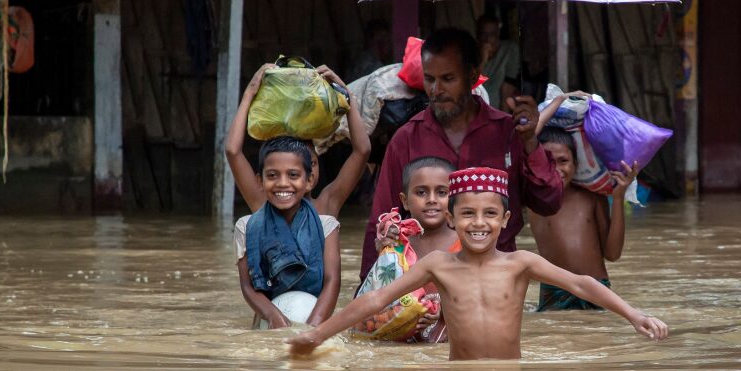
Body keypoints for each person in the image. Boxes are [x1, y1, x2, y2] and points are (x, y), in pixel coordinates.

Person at [288, 168, 667, 360]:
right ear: (452, 220)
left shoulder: (520, 263)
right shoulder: (438, 265)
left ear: (505, 220)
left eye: (489, 214)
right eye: (467, 214)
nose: (478, 223)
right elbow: (375, 299)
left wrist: (634, 315)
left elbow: (582, 284)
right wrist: (317, 336)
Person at [359, 28, 562, 281]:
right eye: (430, 79)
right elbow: (380, 223)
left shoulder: (510, 133)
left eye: (448, 78)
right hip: (427, 288)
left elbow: (549, 202)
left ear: (472, 75)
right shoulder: (406, 139)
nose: (436, 90)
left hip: (498, 283)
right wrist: (369, 290)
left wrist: (530, 141)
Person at [225, 63, 371, 220]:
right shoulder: (262, 205)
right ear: (261, 180)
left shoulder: (327, 205)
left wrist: (346, 96)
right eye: (274, 174)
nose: (310, 169)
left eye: (312, 163)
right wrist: (249, 93)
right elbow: (233, 151)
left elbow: (362, 151)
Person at [528, 127, 639, 312]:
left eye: (563, 161)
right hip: (553, 293)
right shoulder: (532, 200)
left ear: (576, 163)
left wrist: (618, 198)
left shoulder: (592, 198)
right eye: (548, 161)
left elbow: (613, 254)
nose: (556, 169)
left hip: (597, 290)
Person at [235, 137, 341, 330]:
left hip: (317, 318)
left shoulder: (326, 226)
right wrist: (273, 316)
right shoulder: (247, 226)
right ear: (260, 181)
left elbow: (332, 281)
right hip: (268, 321)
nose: (283, 183)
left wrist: (313, 328)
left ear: (309, 181)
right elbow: (248, 286)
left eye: (293, 175)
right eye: (272, 175)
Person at [370, 156, 459, 342]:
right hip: (402, 342)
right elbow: (379, 299)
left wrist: (443, 312)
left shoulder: (464, 246)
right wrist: (384, 257)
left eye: (442, 192)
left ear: (454, 199)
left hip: (447, 343)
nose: (432, 200)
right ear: (405, 201)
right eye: (421, 192)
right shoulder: (396, 244)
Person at [476, 13, 521, 111]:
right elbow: (474, 85)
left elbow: (507, 88)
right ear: (478, 35)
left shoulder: (509, 50)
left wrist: (503, 116)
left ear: (498, 33)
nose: (488, 39)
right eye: (484, 34)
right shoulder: (473, 52)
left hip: (495, 109)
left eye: (492, 34)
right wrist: (483, 60)